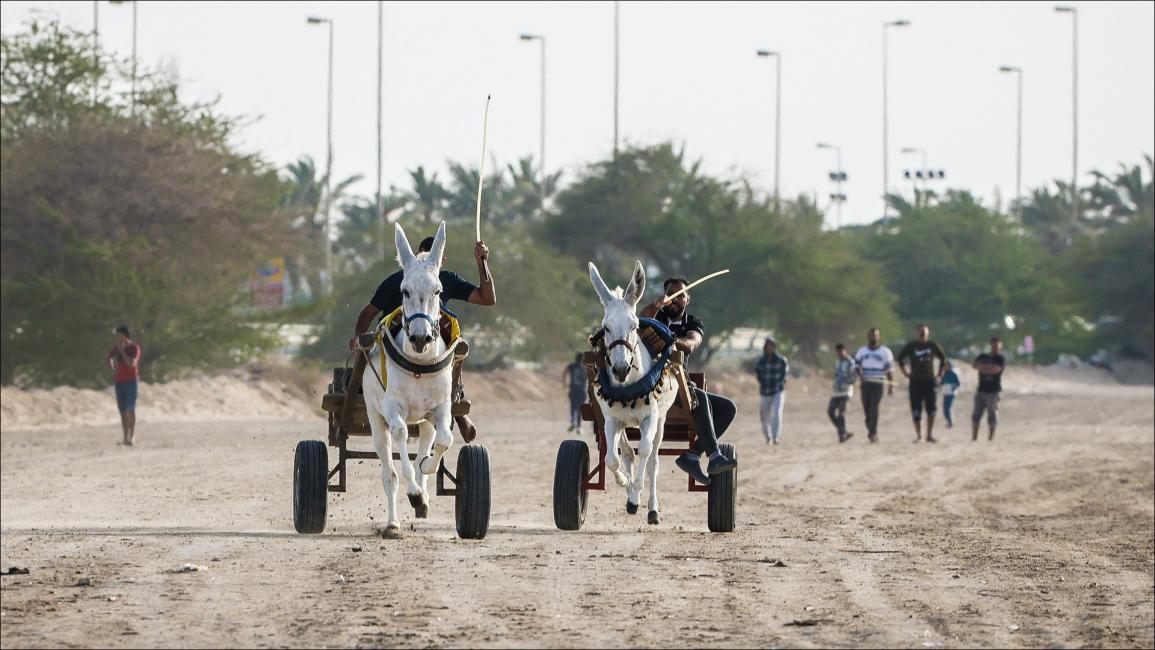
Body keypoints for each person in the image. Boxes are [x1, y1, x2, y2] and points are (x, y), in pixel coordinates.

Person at [350, 235, 495, 442]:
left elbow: (487, 298)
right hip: (395, 344)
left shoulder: (447, 280)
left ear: (440, 261)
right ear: (413, 258)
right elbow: (367, 314)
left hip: (433, 346)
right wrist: (357, 340)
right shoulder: (398, 280)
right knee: (373, 347)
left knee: (452, 341)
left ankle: (455, 404)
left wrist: (482, 263)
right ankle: (360, 384)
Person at [639, 278, 737, 485]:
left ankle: (693, 454)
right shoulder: (657, 316)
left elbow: (691, 344)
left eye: (680, 295)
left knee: (728, 408)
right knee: (699, 397)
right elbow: (639, 321)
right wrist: (655, 306)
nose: (675, 299)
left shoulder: (693, 322)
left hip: (679, 384)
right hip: (654, 386)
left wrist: (669, 340)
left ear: (687, 299)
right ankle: (713, 455)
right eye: (671, 294)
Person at [896, 324, 947, 443]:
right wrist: (905, 373)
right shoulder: (912, 346)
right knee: (916, 409)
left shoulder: (932, 345)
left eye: (924, 331)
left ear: (928, 332)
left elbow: (943, 359)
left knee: (931, 409)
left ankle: (929, 435)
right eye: (920, 331)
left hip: (930, 381)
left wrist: (939, 374)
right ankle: (919, 435)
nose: (922, 333)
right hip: (915, 381)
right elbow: (900, 359)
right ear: (917, 333)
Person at [854, 328, 895, 443]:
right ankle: (870, 426)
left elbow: (889, 370)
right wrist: (860, 376)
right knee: (866, 407)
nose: (873, 337)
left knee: (874, 406)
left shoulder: (885, 352)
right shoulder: (862, 351)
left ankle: (873, 432)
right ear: (868, 336)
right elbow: (856, 367)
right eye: (871, 335)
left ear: (879, 337)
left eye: (875, 335)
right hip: (866, 382)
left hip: (878, 382)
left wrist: (891, 386)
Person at [107, 325, 141, 446]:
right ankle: (125, 437)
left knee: (130, 409)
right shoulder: (116, 348)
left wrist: (121, 351)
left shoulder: (134, 348)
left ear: (125, 335)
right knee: (122, 410)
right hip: (119, 381)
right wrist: (113, 369)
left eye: (119, 334)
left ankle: (132, 436)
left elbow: (131, 363)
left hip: (131, 381)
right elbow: (109, 357)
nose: (118, 337)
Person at [754, 337, 788, 445]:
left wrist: (779, 384)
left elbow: (784, 374)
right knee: (764, 415)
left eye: (771, 346)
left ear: (774, 347)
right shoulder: (760, 361)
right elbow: (758, 374)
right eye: (767, 346)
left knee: (777, 413)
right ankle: (768, 437)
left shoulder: (781, 360)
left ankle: (775, 437)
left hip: (778, 391)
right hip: (765, 391)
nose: (769, 348)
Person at [972, 337, 1006, 441]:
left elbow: (996, 370)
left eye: (997, 346)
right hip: (981, 390)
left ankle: (990, 439)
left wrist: (983, 368)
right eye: (994, 345)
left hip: (994, 391)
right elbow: (974, 365)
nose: (995, 347)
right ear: (990, 345)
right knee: (976, 415)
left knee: (992, 414)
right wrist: (987, 368)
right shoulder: (982, 356)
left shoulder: (1000, 359)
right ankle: (974, 437)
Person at [828, 343, 857, 443]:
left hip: (846, 391)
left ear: (845, 350)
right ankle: (843, 431)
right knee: (830, 411)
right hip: (836, 391)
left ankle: (842, 435)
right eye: (837, 352)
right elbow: (835, 375)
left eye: (841, 351)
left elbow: (854, 375)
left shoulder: (850, 362)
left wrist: (849, 382)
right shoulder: (836, 363)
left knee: (841, 412)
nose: (839, 353)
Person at [563, 352, 588, 433]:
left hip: (573, 390)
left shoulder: (571, 366)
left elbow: (565, 372)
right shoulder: (585, 367)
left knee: (573, 407)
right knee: (580, 408)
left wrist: (564, 383)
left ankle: (572, 423)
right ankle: (579, 426)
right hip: (582, 390)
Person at [940, 360, 962, 428]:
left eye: (947, 365)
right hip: (945, 393)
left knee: (947, 408)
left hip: (951, 394)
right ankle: (949, 421)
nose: (945, 367)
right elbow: (942, 383)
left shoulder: (954, 374)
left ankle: (950, 422)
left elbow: (958, 383)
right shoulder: (944, 374)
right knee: (945, 409)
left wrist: (952, 388)